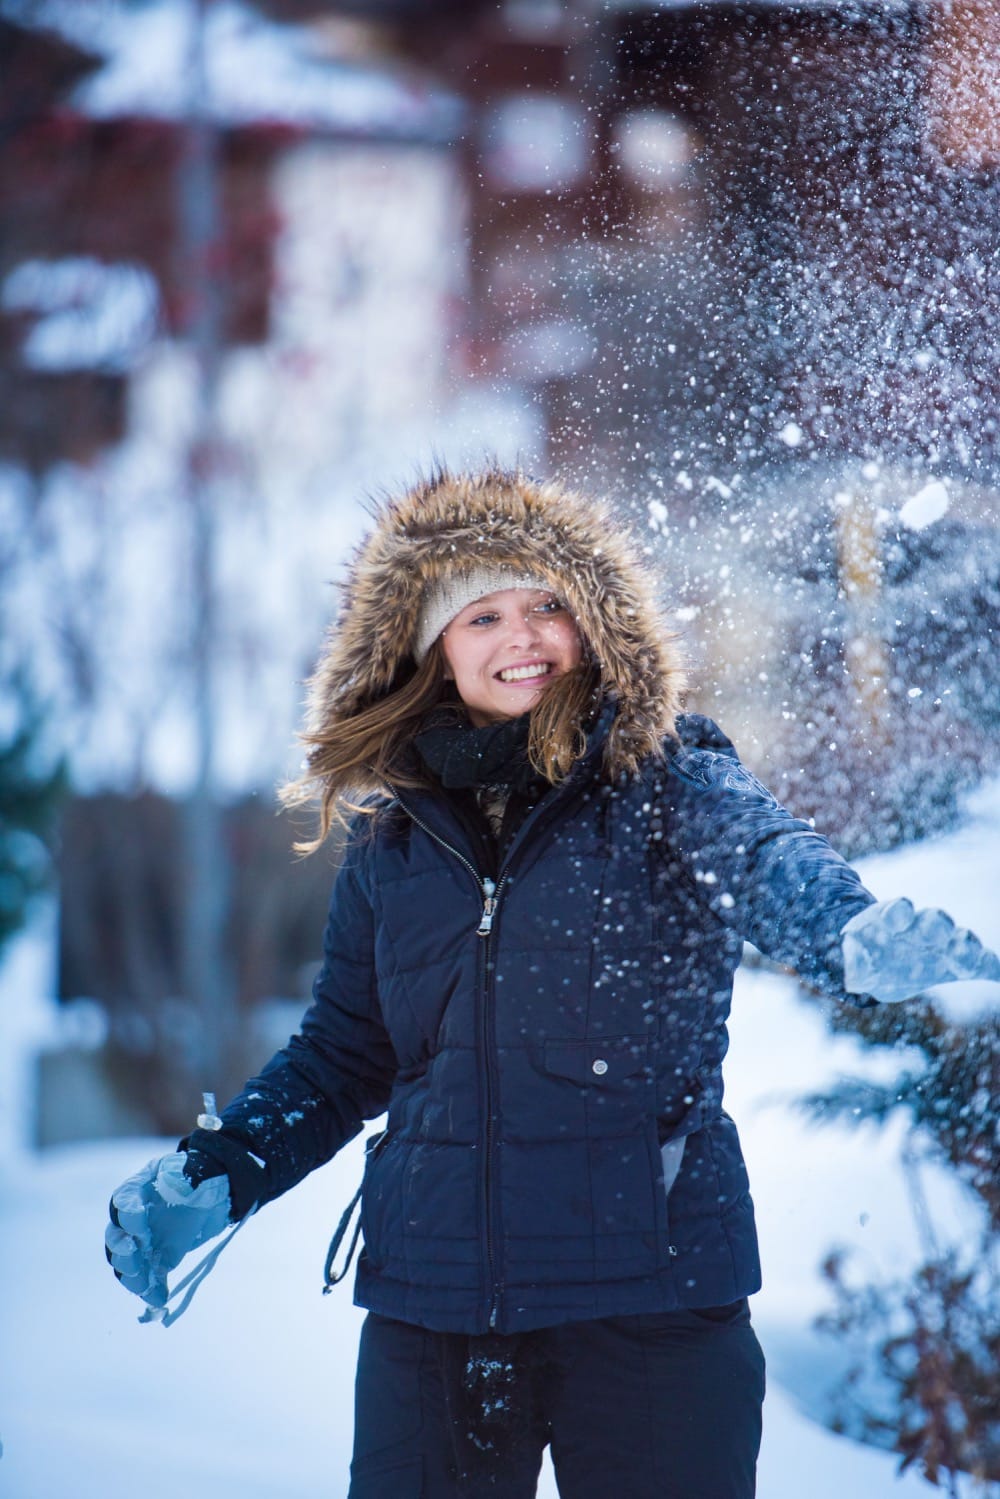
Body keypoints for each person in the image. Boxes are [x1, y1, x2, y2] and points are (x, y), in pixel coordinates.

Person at [106, 467, 1000, 1498]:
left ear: (592, 624)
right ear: (427, 645)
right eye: (481, 614)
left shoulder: (664, 780)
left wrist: (849, 929)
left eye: (546, 605)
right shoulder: (393, 841)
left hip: (649, 1303)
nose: (521, 636)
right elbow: (347, 1051)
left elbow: (765, 859)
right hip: (433, 1310)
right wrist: (229, 1164)